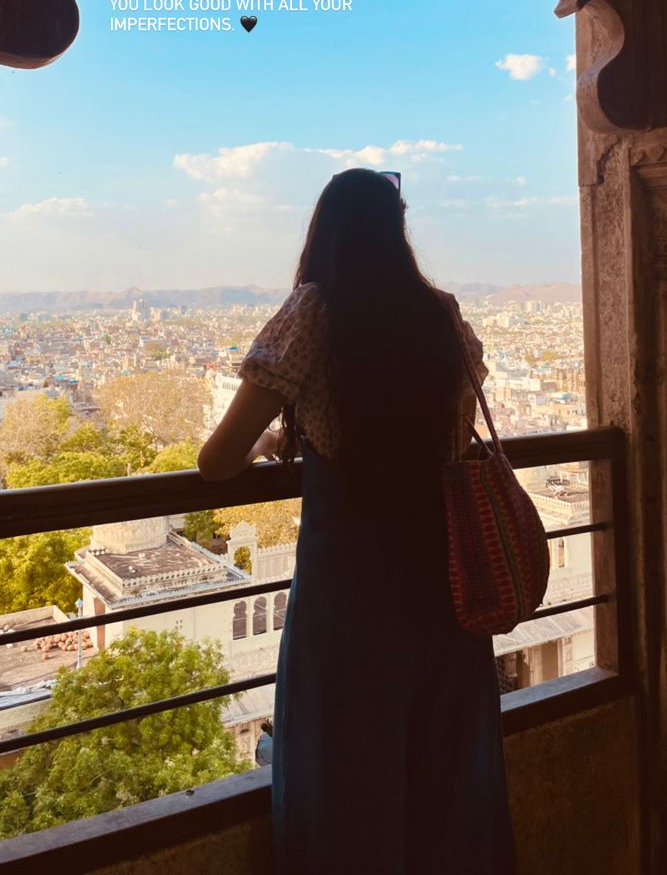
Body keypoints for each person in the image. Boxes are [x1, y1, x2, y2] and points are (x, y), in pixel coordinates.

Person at [198, 168, 517, 874]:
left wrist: (273, 442)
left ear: (325, 232)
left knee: (345, 774)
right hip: (442, 584)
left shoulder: (312, 312)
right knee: (442, 773)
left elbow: (215, 461)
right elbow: (453, 440)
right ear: (396, 232)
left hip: (348, 592)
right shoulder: (439, 313)